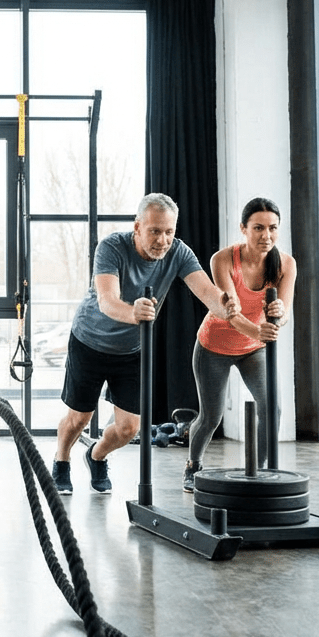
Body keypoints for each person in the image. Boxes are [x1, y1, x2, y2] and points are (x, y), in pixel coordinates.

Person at [51, 193, 238, 496]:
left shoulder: (179, 253)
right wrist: (133, 313)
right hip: (90, 341)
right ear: (137, 227)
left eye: (169, 232)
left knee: (129, 429)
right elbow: (107, 300)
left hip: (131, 350)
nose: (162, 240)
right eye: (154, 231)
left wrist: (227, 305)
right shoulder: (112, 247)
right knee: (79, 419)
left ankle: (96, 456)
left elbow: (207, 293)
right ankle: (62, 460)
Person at [182, 197, 297, 492]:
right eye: (258, 228)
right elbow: (231, 313)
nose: (266, 235)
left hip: (253, 350)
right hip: (214, 346)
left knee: (272, 408)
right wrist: (259, 331)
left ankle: (256, 475)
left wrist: (279, 317)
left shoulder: (286, 264)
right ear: (243, 228)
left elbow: (283, 311)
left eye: (273, 228)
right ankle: (193, 464)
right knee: (211, 417)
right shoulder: (223, 259)